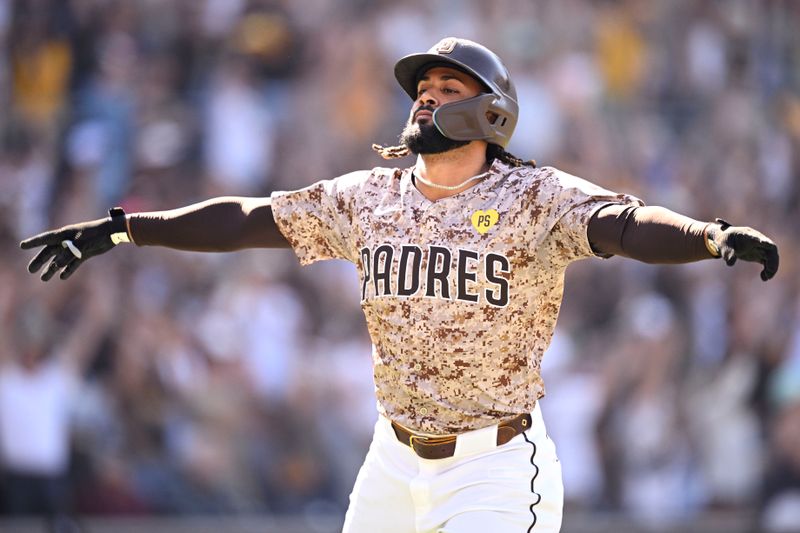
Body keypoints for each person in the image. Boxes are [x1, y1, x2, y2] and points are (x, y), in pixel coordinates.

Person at [20, 37, 779, 532]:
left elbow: (624, 223)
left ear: (492, 113)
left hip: (495, 464)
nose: (425, 94)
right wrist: (123, 227)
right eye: (422, 85)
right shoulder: (369, 198)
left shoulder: (533, 196)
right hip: (393, 458)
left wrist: (707, 236)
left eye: (447, 86)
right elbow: (246, 219)